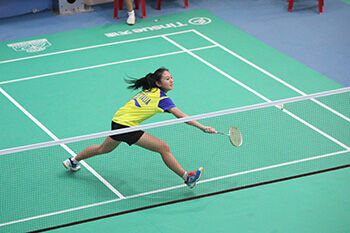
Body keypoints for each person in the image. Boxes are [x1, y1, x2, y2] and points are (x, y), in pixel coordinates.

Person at [63, 68, 217, 189]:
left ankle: (73, 161)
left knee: (103, 149)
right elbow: (182, 117)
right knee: (164, 148)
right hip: (126, 126)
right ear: (158, 83)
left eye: (171, 77)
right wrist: (203, 128)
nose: (171, 80)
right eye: (167, 78)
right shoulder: (162, 99)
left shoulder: (150, 91)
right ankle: (187, 178)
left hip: (117, 121)